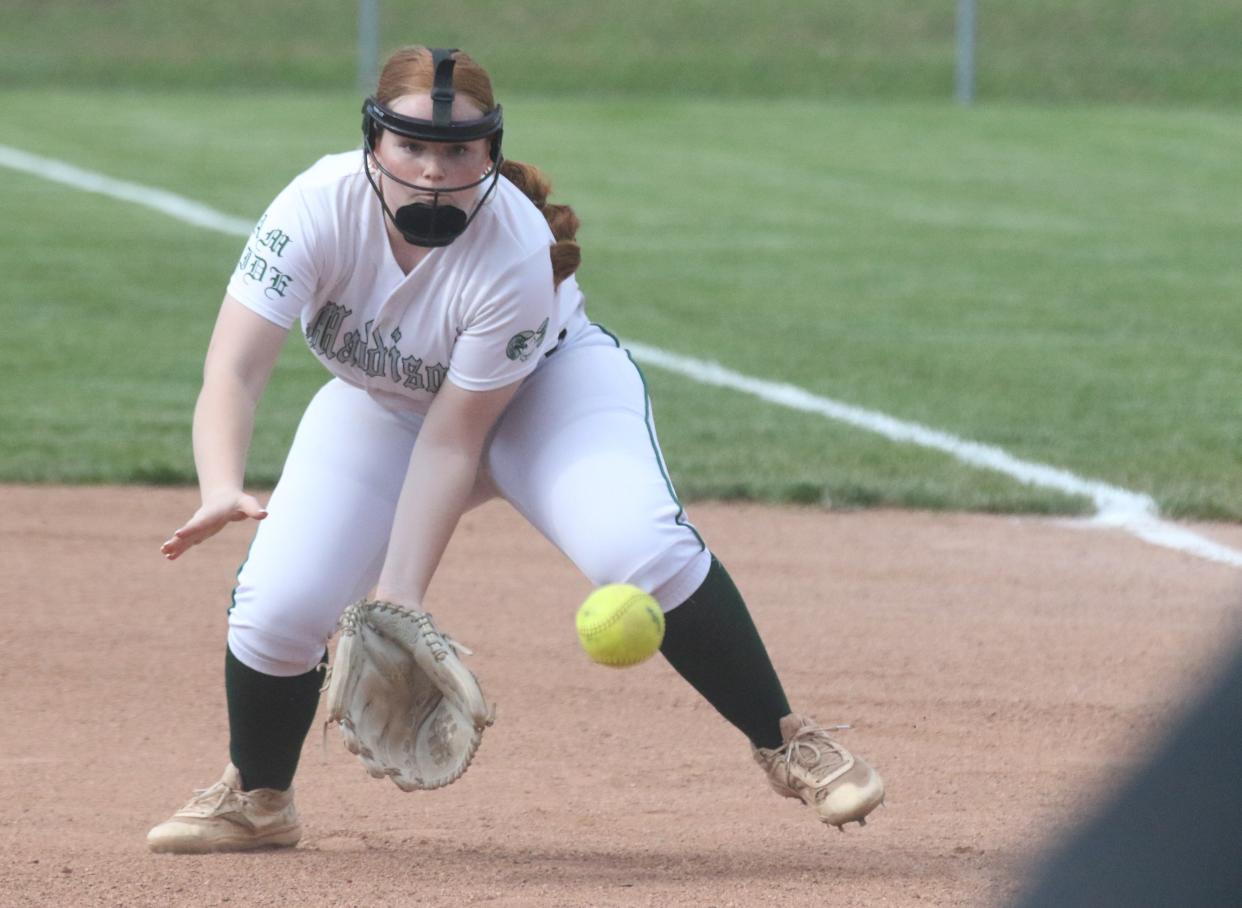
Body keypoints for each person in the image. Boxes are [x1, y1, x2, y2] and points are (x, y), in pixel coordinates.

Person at [146, 45, 884, 854]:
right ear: (373, 144)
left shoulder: (512, 248)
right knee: (279, 609)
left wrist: (399, 600)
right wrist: (220, 482)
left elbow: (457, 440)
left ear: (490, 152)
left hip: (550, 397)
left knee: (637, 549)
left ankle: (788, 741)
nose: (434, 170)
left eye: (458, 149)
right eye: (411, 145)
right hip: (384, 408)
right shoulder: (315, 208)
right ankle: (257, 800)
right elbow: (236, 367)